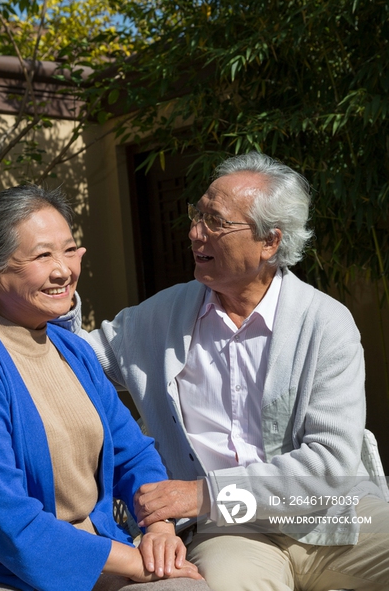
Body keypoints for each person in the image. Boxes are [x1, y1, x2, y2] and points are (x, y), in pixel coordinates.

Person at [56, 152, 389, 591]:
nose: (195, 233)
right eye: (197, 215)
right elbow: (72, 361)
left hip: (329, 518)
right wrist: (56, 290)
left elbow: (329, 467)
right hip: (228, 530)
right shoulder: (160, 317)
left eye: (215, 221)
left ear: (269, 242)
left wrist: (200, 493)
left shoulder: (326, 323)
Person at [0, 185, 209, 591]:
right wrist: (137, 561)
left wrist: (159, 528)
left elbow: (132, 453)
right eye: (43, 256)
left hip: (101, 554)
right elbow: (7, 521)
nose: (63, 271)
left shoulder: (69, 347)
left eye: (69, 250)